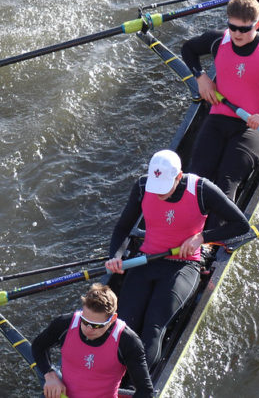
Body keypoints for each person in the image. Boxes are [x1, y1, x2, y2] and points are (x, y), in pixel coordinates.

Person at [105, 150, 250, 370]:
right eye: (157, 187)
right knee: (124, 325)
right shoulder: (143, 186)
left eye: (164, 187)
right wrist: (115, 256)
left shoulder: (202, 189)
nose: (159, 193)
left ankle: (139, 387)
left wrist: (202, 237)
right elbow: (123, 227)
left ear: (179, 176)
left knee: (153, 327)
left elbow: (241, 225)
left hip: (184, 265)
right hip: (146, 260)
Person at [180, 0, 259, 201]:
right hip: (218, 118)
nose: (237, 34)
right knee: (196, 178)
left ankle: (215, 233)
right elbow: (188, 49)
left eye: (244, 29)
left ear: (258, 25)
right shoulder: (217, 40)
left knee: (226, 181)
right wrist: (201, 77)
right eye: (233, 27)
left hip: (253, 126)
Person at [31, 283, 154, 398]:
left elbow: (145, 391)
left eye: (96, 325)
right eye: (85, 321)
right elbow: (38, 347)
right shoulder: (64, 324)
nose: (88, 329)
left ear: (112, 319)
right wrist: (49, 374)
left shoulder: (127, 341)